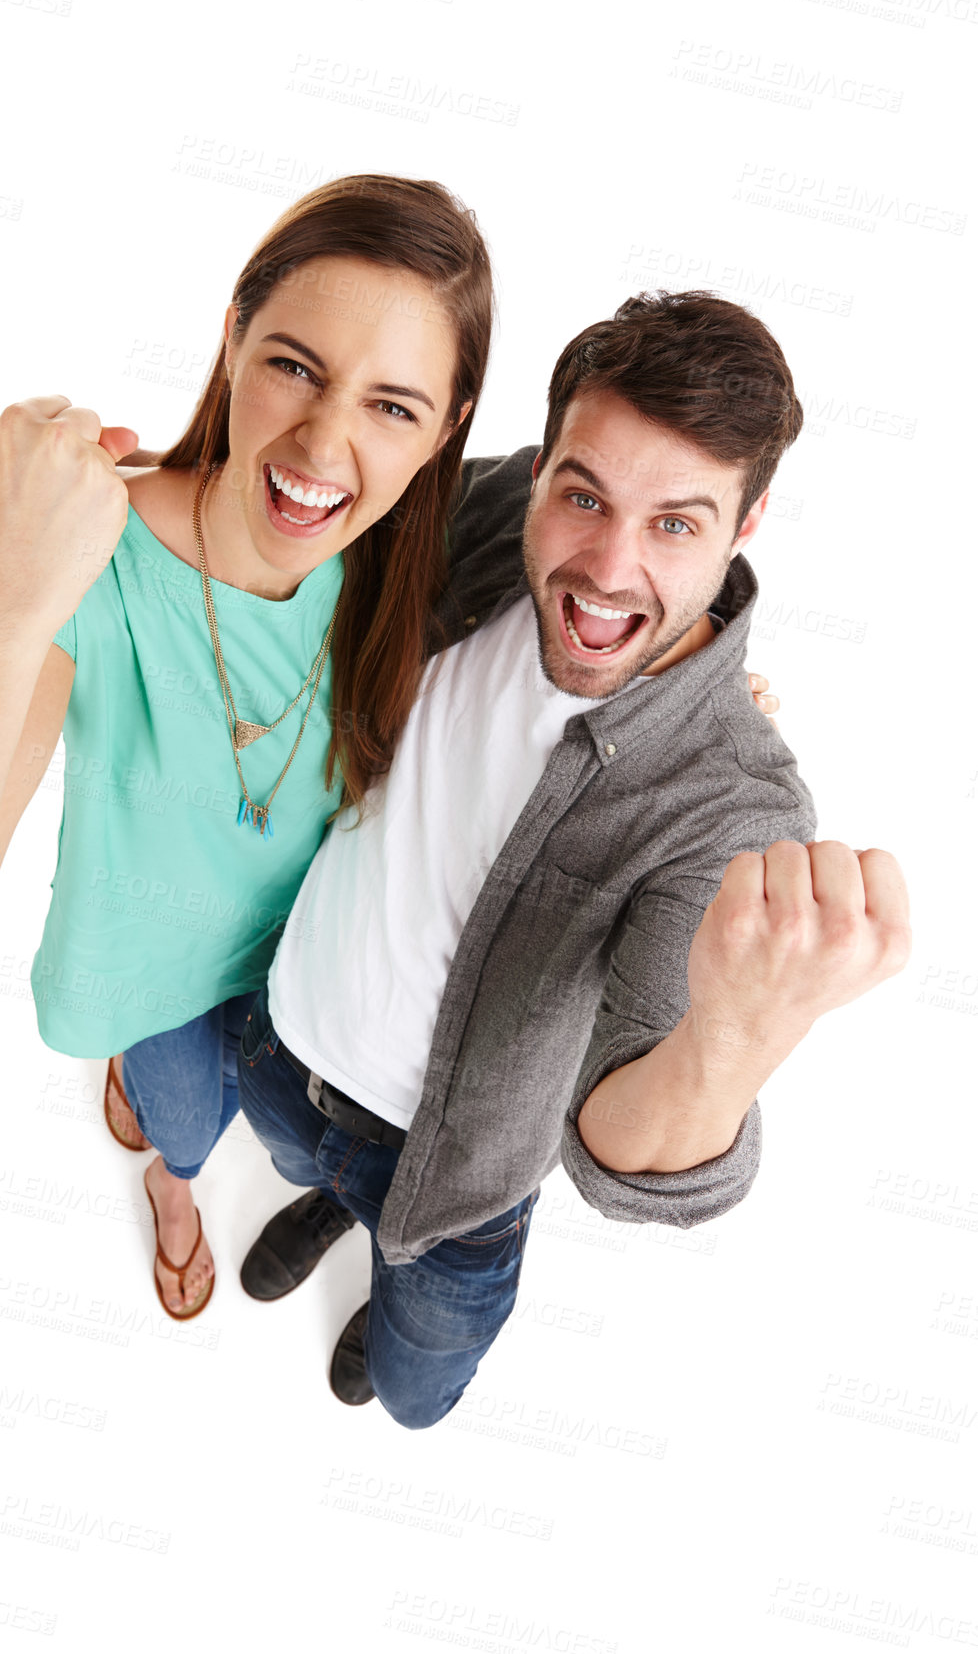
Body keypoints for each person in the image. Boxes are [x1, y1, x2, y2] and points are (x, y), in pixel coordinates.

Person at [234, 290, 911, 1427]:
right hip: (285, 1043)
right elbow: (315, 506)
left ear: (744, 526)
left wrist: (737, 1031)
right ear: (542, 466)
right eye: (583, 495)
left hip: (452, 1196)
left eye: (676, 524)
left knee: (408, 1394)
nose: (605, 566)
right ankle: (327, 1205)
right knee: (301, 1161)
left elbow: (616, 1152)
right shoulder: (496, 506)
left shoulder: (729, 808)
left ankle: (381, 1270)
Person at [0, 174, 494, 1320]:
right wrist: (8, 587)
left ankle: (168, 1150)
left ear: (444, 430)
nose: (324, 442)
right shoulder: (92, 565)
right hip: (149, 971)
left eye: (392, 406)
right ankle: (171, 1187)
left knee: (274, 1125)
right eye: (293, 365)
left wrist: (690, 676)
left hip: (296, 965)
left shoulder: (407, 558)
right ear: (233, 339)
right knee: (186, 1123)